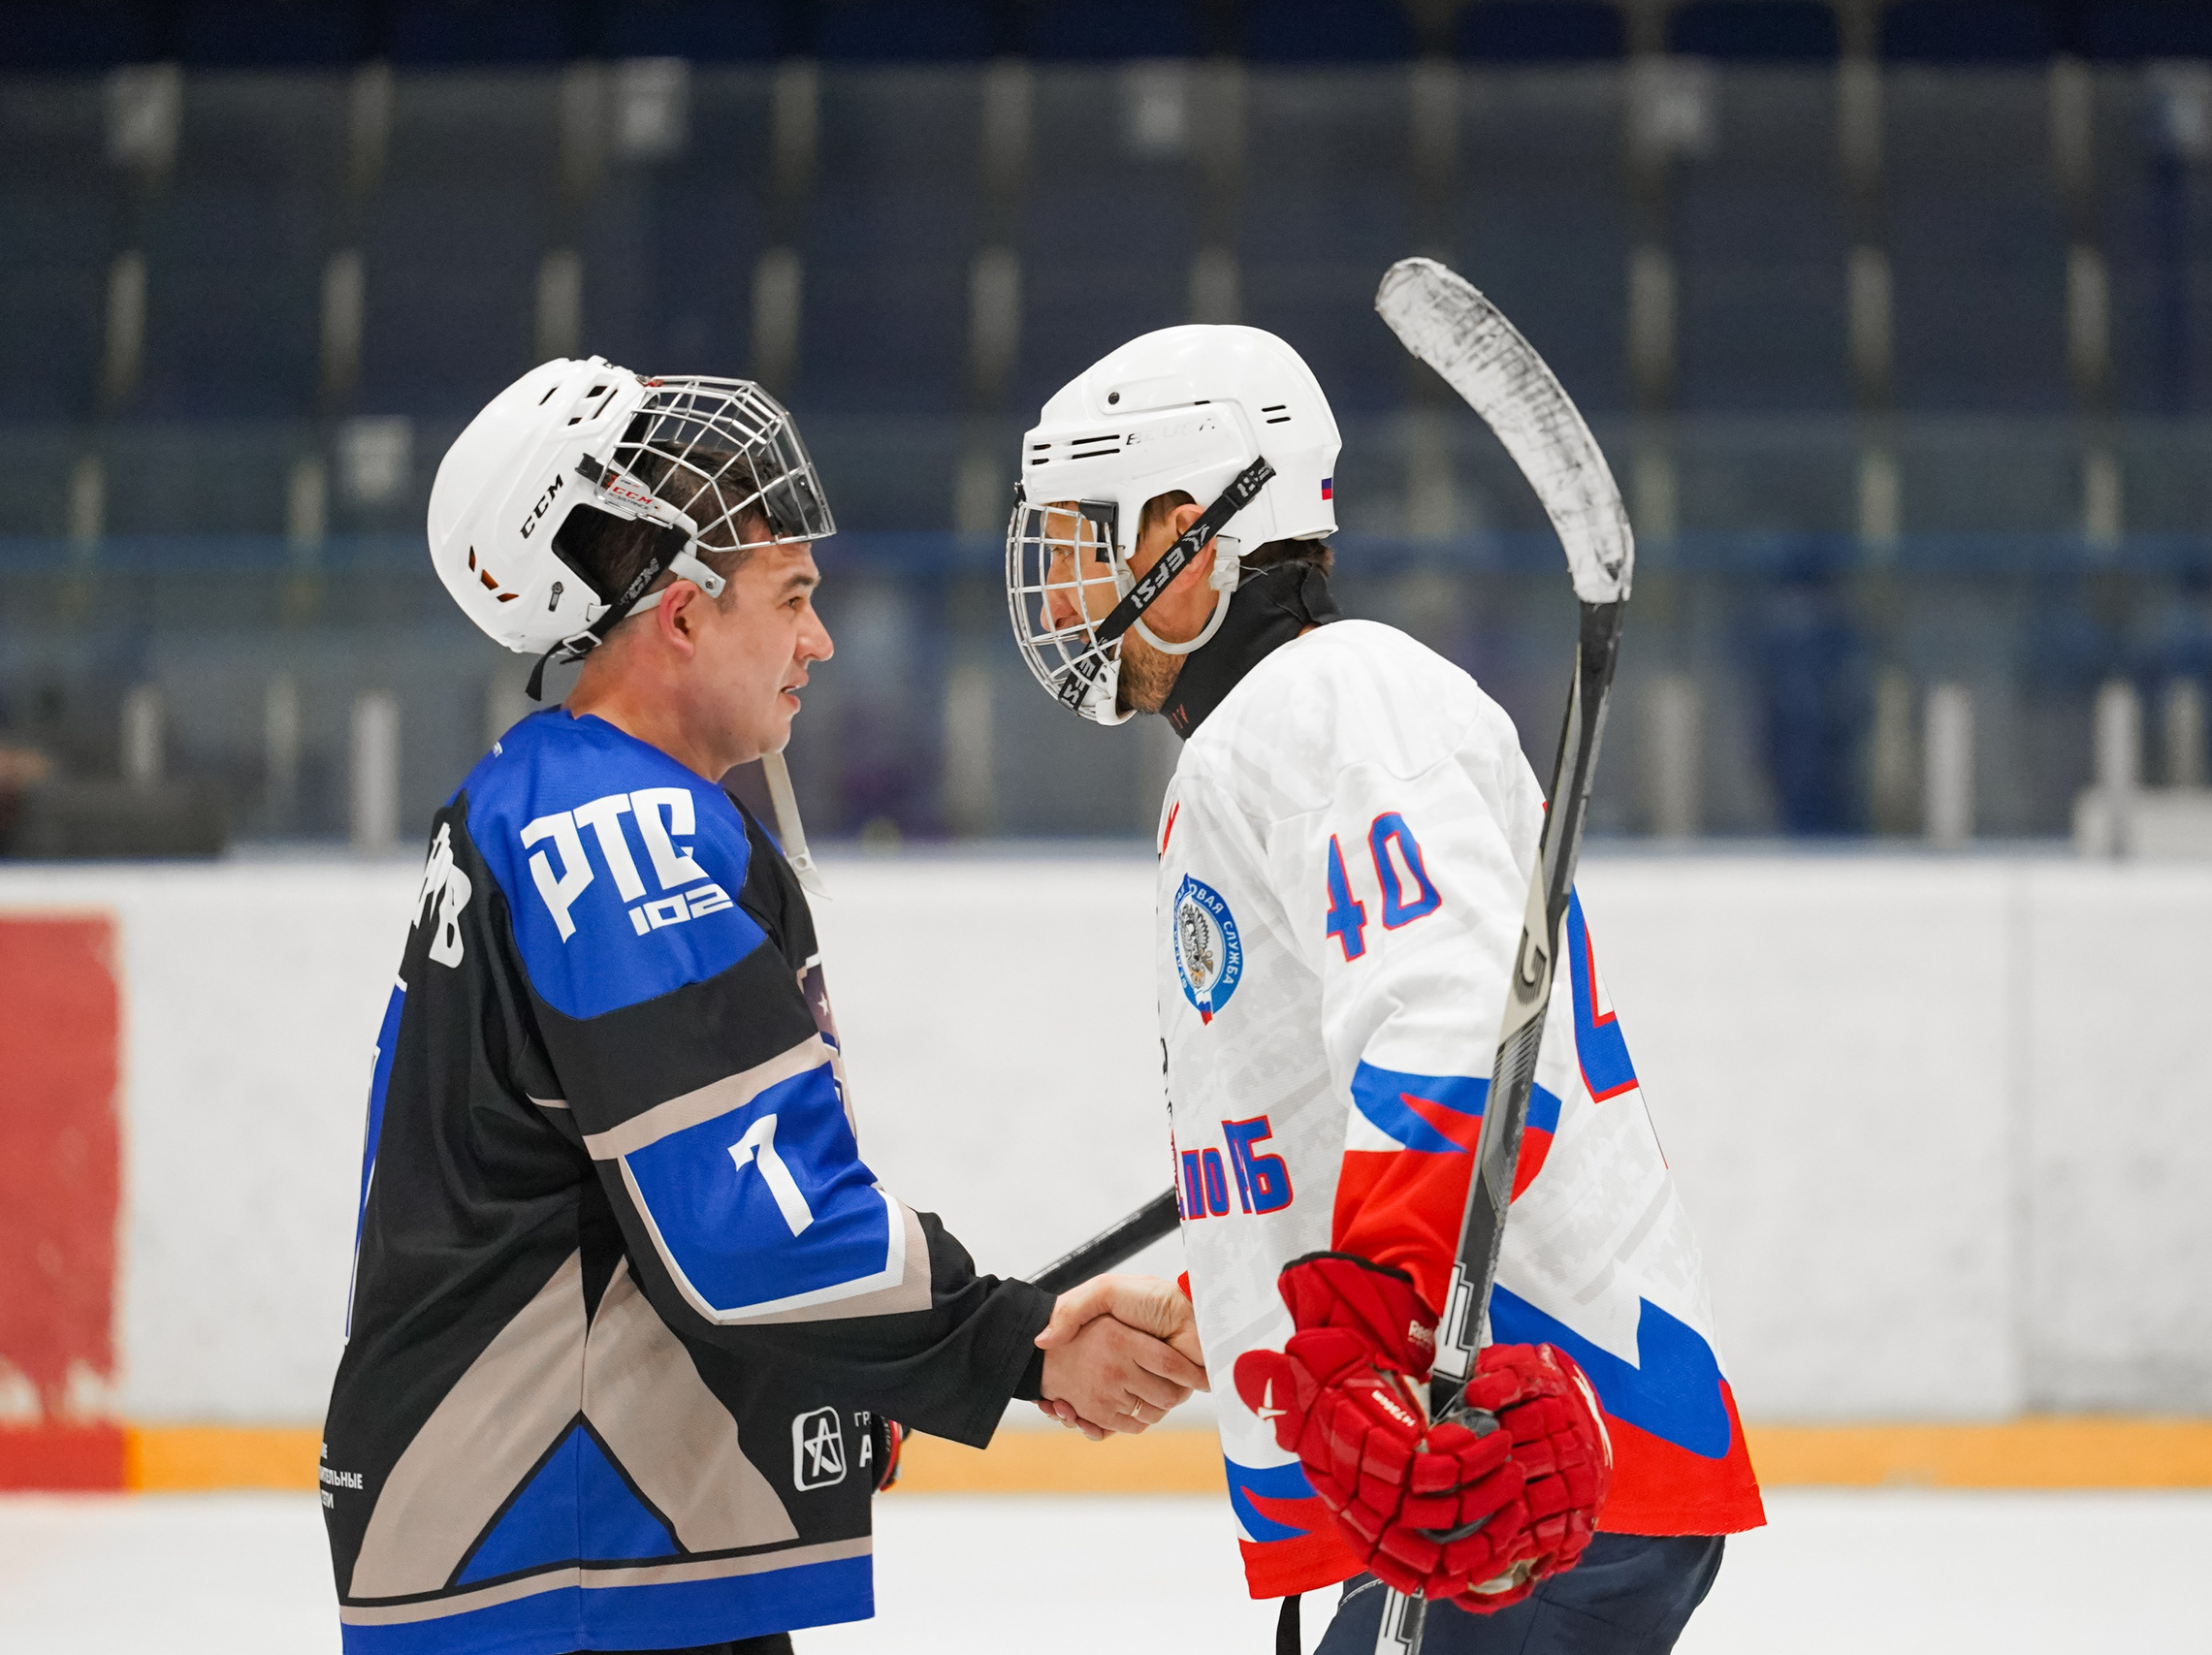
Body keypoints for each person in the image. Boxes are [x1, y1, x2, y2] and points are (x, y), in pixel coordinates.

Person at [321, 357, 1207, 1655]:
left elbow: (640, 1230)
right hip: (565, 1554)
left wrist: (863, 1367)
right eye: (791, 595)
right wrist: (1011, 1342)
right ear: (681, 614)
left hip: (571, 1546)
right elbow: (746, 1231)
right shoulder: (616, 830)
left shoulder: (559, 797)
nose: (820, 637)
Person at [1006, 326, 1763, 1654]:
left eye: (1087, 543)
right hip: (1478, 1453)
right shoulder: (1291, 724)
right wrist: (1243, 1299)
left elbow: (1453, 1028)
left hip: (1511, 1451)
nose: (1062, 590)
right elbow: (1361, 1090)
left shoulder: (1329, 699)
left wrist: (1352, 1337)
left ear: (1190, 539)